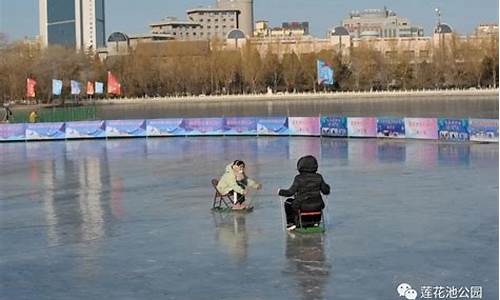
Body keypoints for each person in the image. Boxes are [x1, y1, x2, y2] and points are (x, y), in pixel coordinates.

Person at [278, 155, 330, 231]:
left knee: (288, 202)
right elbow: (326, 191)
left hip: (303, 206)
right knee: (312, 204)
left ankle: (291, 224)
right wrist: (327, 187)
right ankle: (315, 221)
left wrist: (280, 191)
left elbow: (290, 192)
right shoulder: (319, 177)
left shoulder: (298, 178)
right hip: (318, 205)